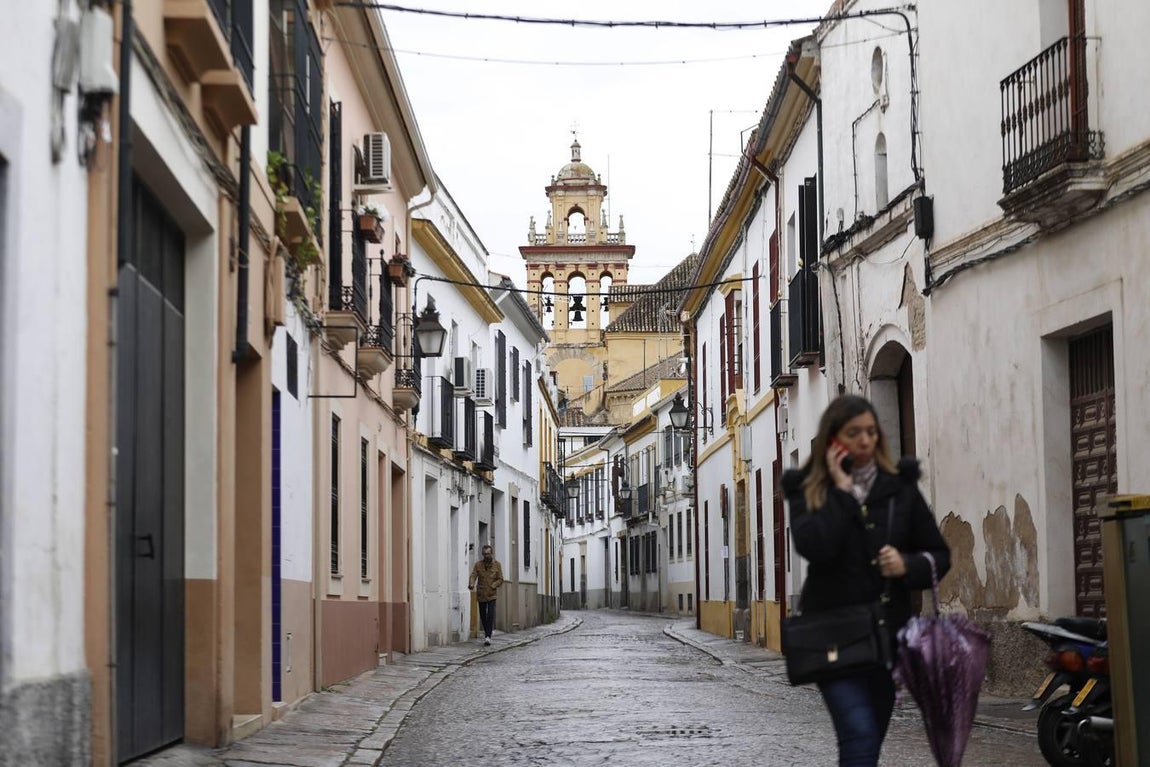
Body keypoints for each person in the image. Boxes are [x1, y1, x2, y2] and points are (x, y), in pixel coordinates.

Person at [782, 395, 951, 767]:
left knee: (868, 741)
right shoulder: (807, 490)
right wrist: (843, 493)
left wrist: (907, 565)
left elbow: (940, 555)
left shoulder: (900, 489)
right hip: (833, 639)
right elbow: (816, 548)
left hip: (888, 640)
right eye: (853, 432)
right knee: (858, 733)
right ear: (833, 439)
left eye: (871, 432)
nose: (864, 441)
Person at [468, 545, 504, 646]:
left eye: (488, 554)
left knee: (490, 614)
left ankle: (488, 636)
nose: (486, 556)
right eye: (484, 554)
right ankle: (487, 632)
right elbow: (473, 575)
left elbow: (501, 579)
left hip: (492, 594)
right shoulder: (478, 565)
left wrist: (494, 585)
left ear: (491, 553)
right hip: (481, 594)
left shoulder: (497, 565)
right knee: (483, 615)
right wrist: (471, 583)